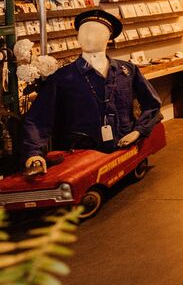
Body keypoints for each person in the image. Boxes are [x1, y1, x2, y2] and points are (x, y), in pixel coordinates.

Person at [22, 9, 161, 175]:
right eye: (83, 31)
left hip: (125, 154)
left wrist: (138, 131)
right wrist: (34, 153)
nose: (88, 37)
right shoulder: (63, 77)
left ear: (109, 37)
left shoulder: (127, 71)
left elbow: (152, 104)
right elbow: (38, 118)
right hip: (81, 161)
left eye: (96, 32)